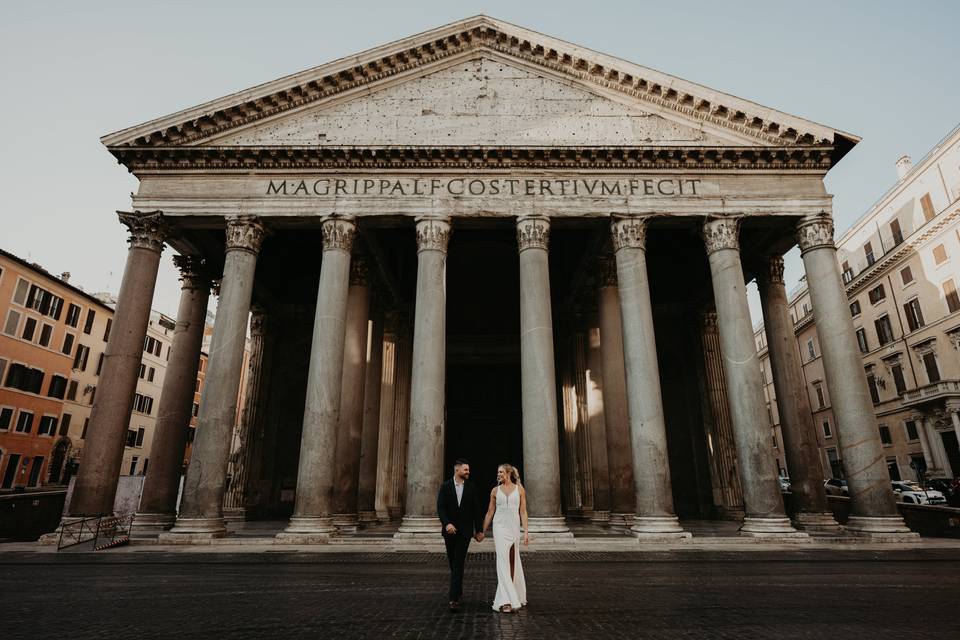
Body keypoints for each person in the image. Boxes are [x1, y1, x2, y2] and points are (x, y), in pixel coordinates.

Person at [436, 458, 485, 611]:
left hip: (464, 532)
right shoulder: (445, 486)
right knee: (453, 562)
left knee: (458, 562)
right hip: (449, 531)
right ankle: (458, 589)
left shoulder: (471, 487)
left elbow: (476, 510)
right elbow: (441, 507)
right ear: (457, 470)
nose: (468, 472)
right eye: (466, 469)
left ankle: (453, 598)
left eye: (468, 470)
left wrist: (479, 530)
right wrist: (447, 523)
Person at [481, 463, 528, 613]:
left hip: (514, 528)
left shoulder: (520, 489)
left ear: (508, 473)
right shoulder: (495, 491)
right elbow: (490, 512)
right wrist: (481, 531)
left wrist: (525, 531)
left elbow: (523, 512)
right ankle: (506, 601)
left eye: (501, 472)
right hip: (499, 528)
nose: (499, 474)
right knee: (502, 562)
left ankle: (516, 593)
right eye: (498, 472)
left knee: (514, 561)